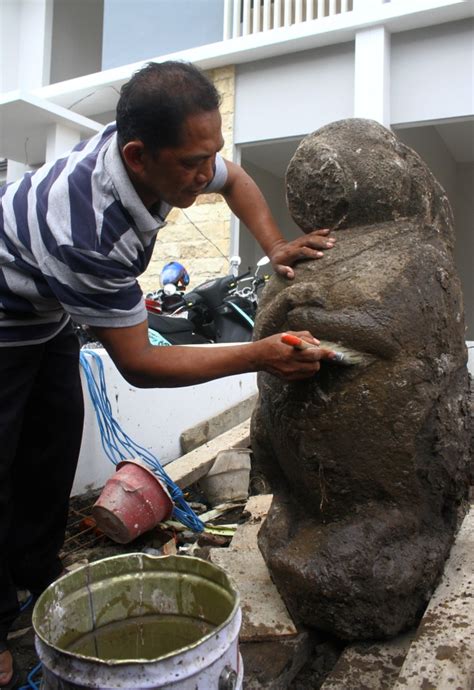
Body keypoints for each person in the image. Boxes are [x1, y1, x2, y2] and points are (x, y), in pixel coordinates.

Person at [0, 60, 335, 686]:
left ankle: (36, 571)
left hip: (44, 311)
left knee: (52, 444)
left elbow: (233, 182)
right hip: (3, 316)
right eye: (188, 163)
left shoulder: (174, 153)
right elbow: (140, 364)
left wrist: (274, 247)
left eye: (209, 153)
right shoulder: (87, 227)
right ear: (137, 155)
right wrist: (259, 355)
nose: (202, 172)